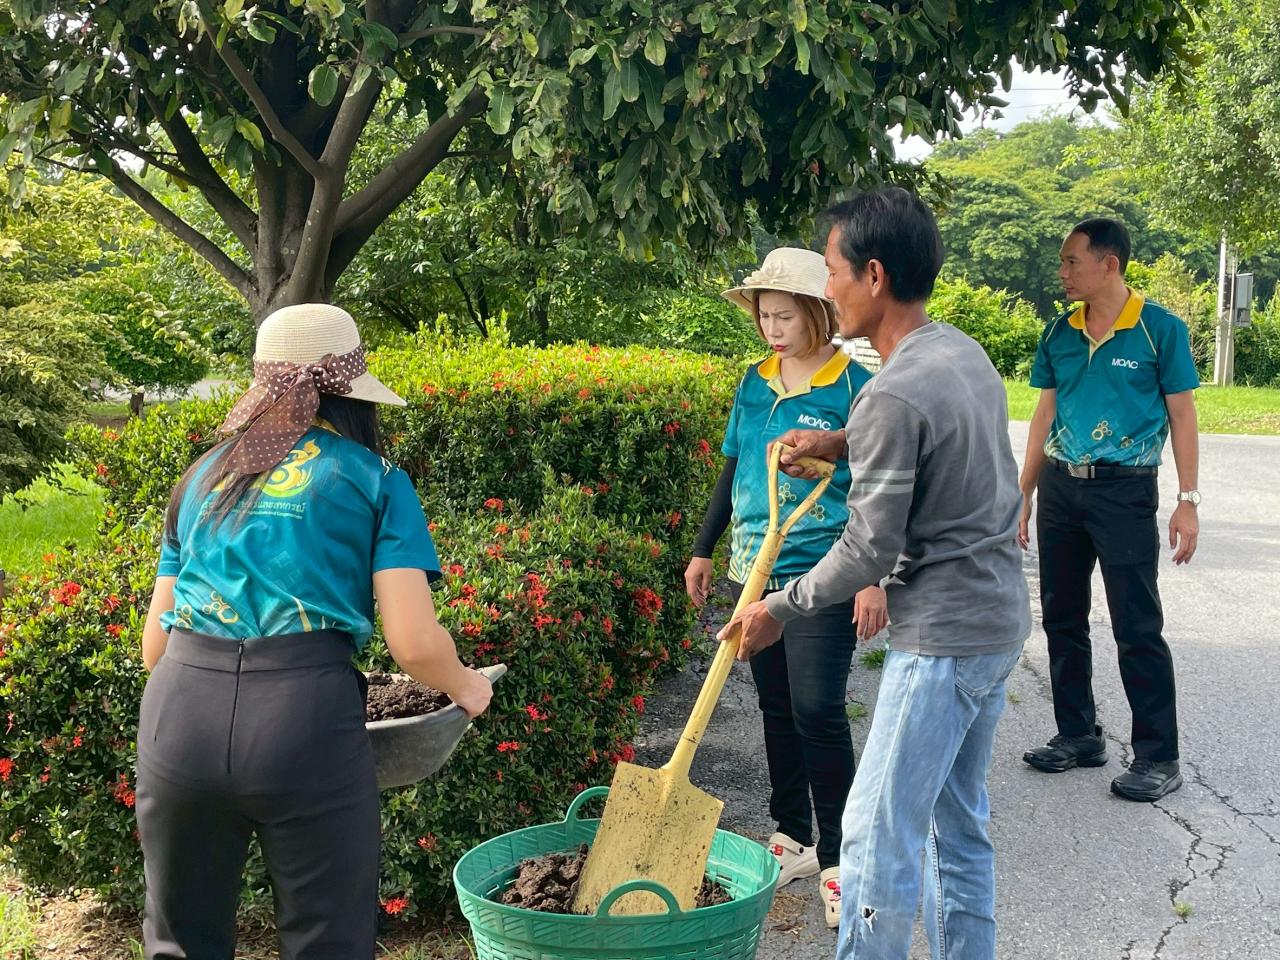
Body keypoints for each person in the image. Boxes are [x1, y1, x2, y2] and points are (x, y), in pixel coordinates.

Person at [722, 188, 1030, 960]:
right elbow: (923, 444)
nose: (825, 288)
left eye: (832, 270)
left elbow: (866, 551)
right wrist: (836, 442)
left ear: (875, 276)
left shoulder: (891, 391)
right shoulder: (956, 351)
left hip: (944, 639)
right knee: (958, 825)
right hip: (996, 623)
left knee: (870, 834)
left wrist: (778, 609)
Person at [136, 304, 494, 959]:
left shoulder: (201, 478)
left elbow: (153, 647)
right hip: (303, 716)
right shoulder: (375, 479)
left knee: (179, 942)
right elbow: (413, 644)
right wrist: (466, 686)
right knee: (326, 942)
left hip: (179, 709)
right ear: (353, 394)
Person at [685, 247, 882, 929]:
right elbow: (734, 464)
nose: (771, 326)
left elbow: (879, 487)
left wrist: (872, 580)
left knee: (820, 708)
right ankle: (793, 834)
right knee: (774, 704)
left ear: (817, 314)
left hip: (828, 567)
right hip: (754, 567)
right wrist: (704, 547)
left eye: (784, 315)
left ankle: (840, 859)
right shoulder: (754, 380)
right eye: (764, 315)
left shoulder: (853, 385)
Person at [1019, 218, 1200, 802]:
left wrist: (1187, 501)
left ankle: (1157, 755)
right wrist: (1023, 491)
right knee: (1061, 616)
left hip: (1125, 491)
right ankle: (1078, 735)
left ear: (1109, 263)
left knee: (1136, 624)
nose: (1063, 272)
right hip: (1060, 487)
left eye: (1073, 261)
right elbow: (1044, 415)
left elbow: (1183, 416)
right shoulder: (1059, 332)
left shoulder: (1159, 330)